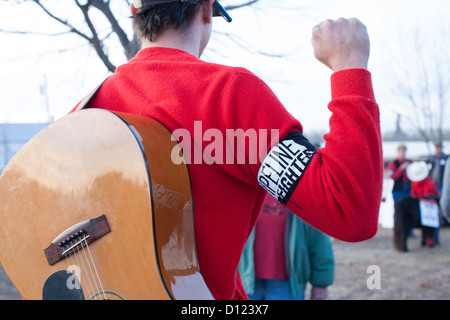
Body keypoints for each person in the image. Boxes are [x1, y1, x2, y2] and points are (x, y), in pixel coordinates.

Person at [72, 0, 383, 299]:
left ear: (134, 11)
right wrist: (349, 68)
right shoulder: (229, 96)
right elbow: (350, 211)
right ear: (207, 10)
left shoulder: (83, 113)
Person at [239, 194, 334, 300]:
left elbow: (319, 242)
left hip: (288, 285)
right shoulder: (241, 189)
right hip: (243, 281)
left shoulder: (300, 193)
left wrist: (321, 283)